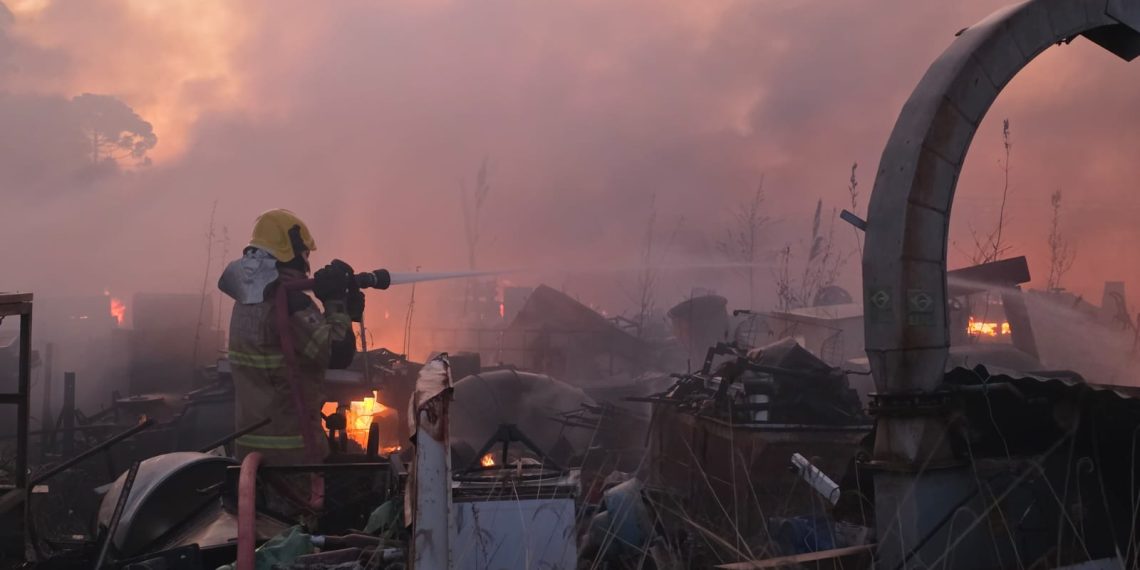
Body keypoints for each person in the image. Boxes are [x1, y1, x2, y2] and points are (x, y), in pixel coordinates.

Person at [218, 209, 365, 466]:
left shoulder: (247, 299)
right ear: (292, 254)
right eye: (305, 254)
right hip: (293, 453)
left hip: (249, 447)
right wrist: (336, 304)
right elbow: (338, 352)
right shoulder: (290, 304)